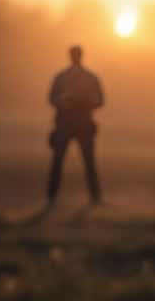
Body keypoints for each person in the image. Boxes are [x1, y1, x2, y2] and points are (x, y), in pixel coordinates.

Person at [46, 44, 104, 206]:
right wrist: (63, 102)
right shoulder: (62, 78)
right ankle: (51, 197)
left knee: (89, 162)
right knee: (58, 161)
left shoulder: (90, 78)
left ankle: (95, 197)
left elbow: (100, 100)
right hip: (64, 123)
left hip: (83, 123)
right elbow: (52, 98)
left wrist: (86, 103)